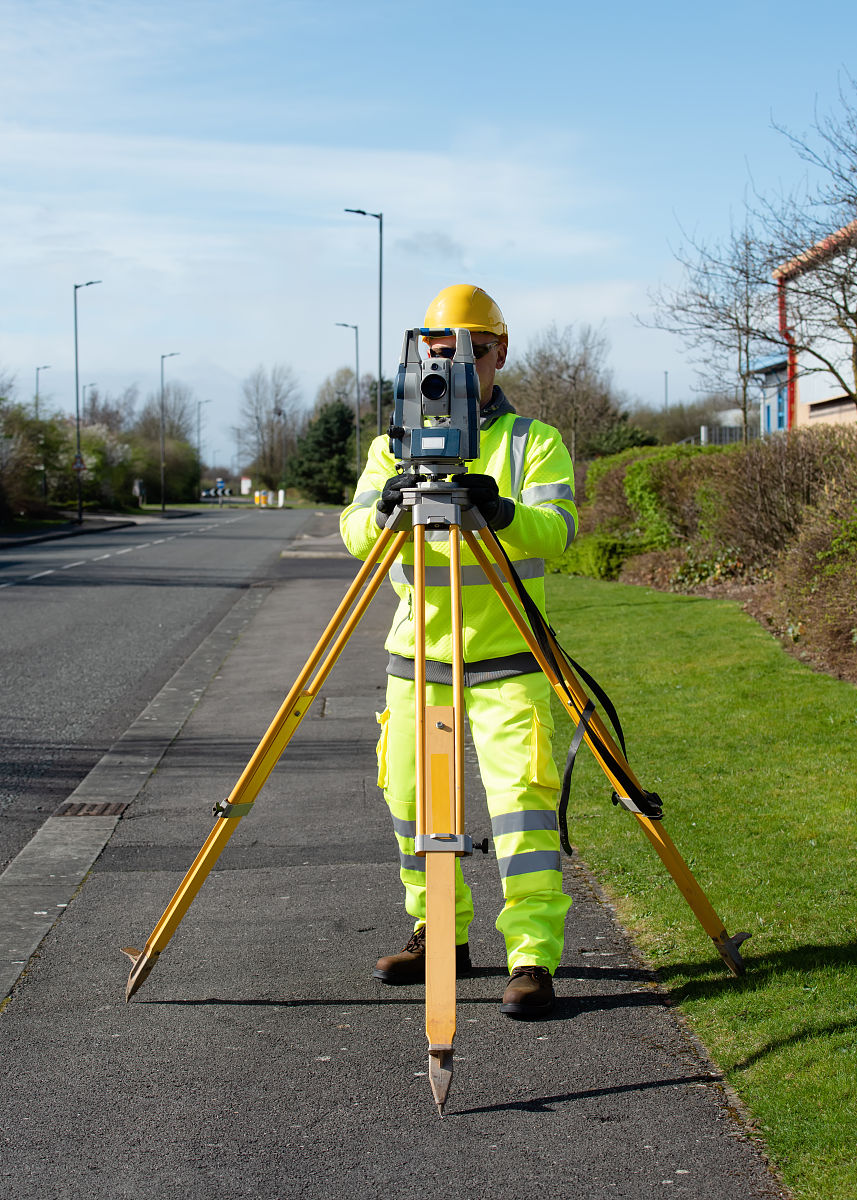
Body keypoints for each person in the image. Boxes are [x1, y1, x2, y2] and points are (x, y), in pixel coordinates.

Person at [339, 285, 578, 1017]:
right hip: (420, 662)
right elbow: (353, 534)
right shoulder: (391, 446)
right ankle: (438, 933)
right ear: (421, 355)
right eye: (440, 350)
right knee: (414, 806)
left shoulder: (530, 441)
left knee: (520, 813)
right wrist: (383, 508)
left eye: (471, 349)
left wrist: (500, 510)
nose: (456, 363)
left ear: (498, 351)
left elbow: (559, 529)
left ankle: (531, 955)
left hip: (508, 660)